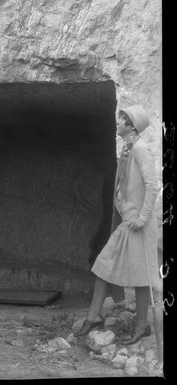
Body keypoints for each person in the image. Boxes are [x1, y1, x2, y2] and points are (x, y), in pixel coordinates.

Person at [75, 105, 159, 345]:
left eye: (123, 118)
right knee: (103, 266)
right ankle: (94, 317)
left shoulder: (142, 150)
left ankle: (142, 327)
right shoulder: (128, 149)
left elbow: (152, 187)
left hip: (139, 225)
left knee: (142, 278)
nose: (118, 121)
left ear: (132, 126)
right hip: (127, 222)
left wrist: (141, 219)